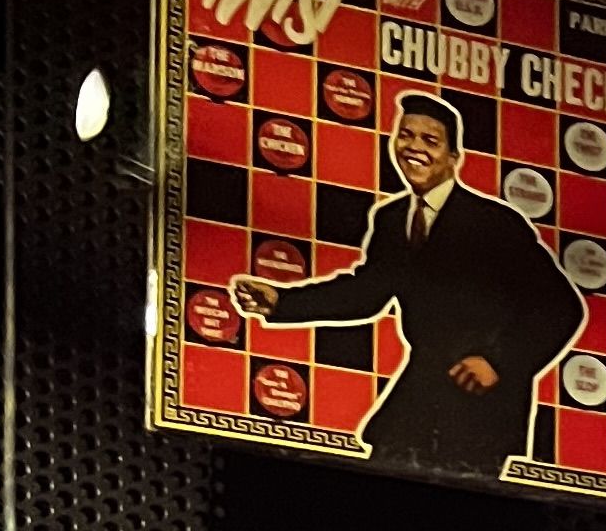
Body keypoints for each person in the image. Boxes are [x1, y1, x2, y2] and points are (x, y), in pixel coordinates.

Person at [232, 91, 584, 482]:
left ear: (454, 158)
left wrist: (500, 363)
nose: (413, 148)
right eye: (405, 135)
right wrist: (282, 301)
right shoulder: (391, 217)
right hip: (421, 389)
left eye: (430, 141)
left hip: (482, 409)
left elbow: (561, 306)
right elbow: (366, 293)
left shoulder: (495, 222)